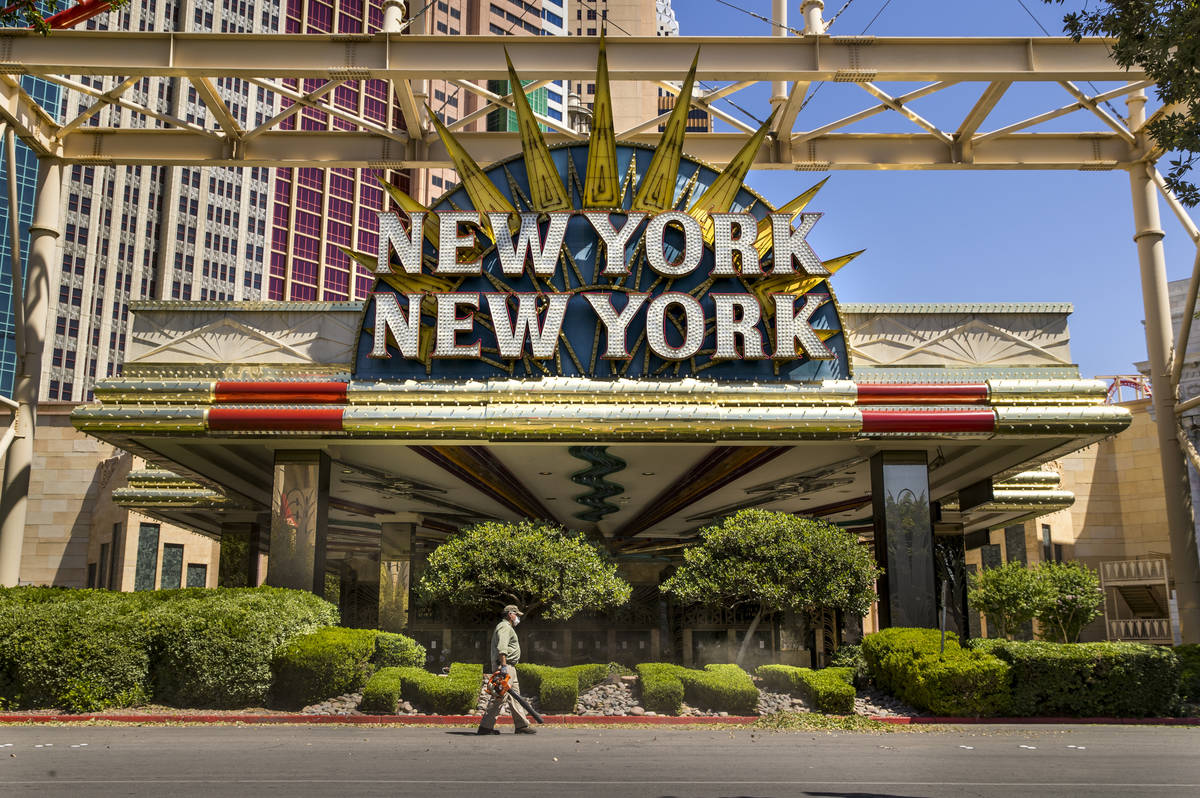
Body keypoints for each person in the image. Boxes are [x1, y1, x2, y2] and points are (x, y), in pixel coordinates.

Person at [477, 604, 535, 735]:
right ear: (510, 614)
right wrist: (503, 666)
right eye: (516, 615)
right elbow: (502, 647)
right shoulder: (504, 627)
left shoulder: (507, 627)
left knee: (516, 697)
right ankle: (485, 727)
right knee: (499, 695)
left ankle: (522, 726)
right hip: (505, 666)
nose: (517, 618)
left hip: (510, 667)